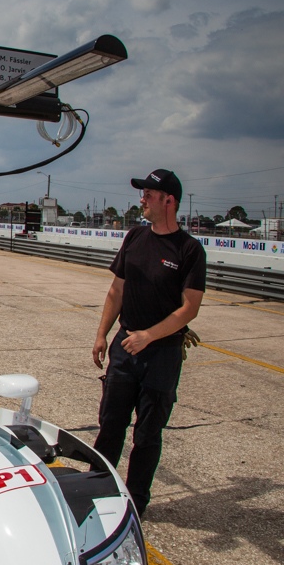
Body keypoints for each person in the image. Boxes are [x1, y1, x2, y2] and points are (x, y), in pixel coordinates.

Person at [91, 169, 206, 516]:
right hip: (125, 350)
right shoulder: (135, 237)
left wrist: (149, 336)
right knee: (110, 424)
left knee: (147, 434)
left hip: (162, 354)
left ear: (168, 200)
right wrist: (102, 334)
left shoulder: (189, 249)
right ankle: (98, 486)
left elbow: (190, 308)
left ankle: (136, 502)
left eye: (148, 194)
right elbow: (117, 289)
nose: (142, 199)